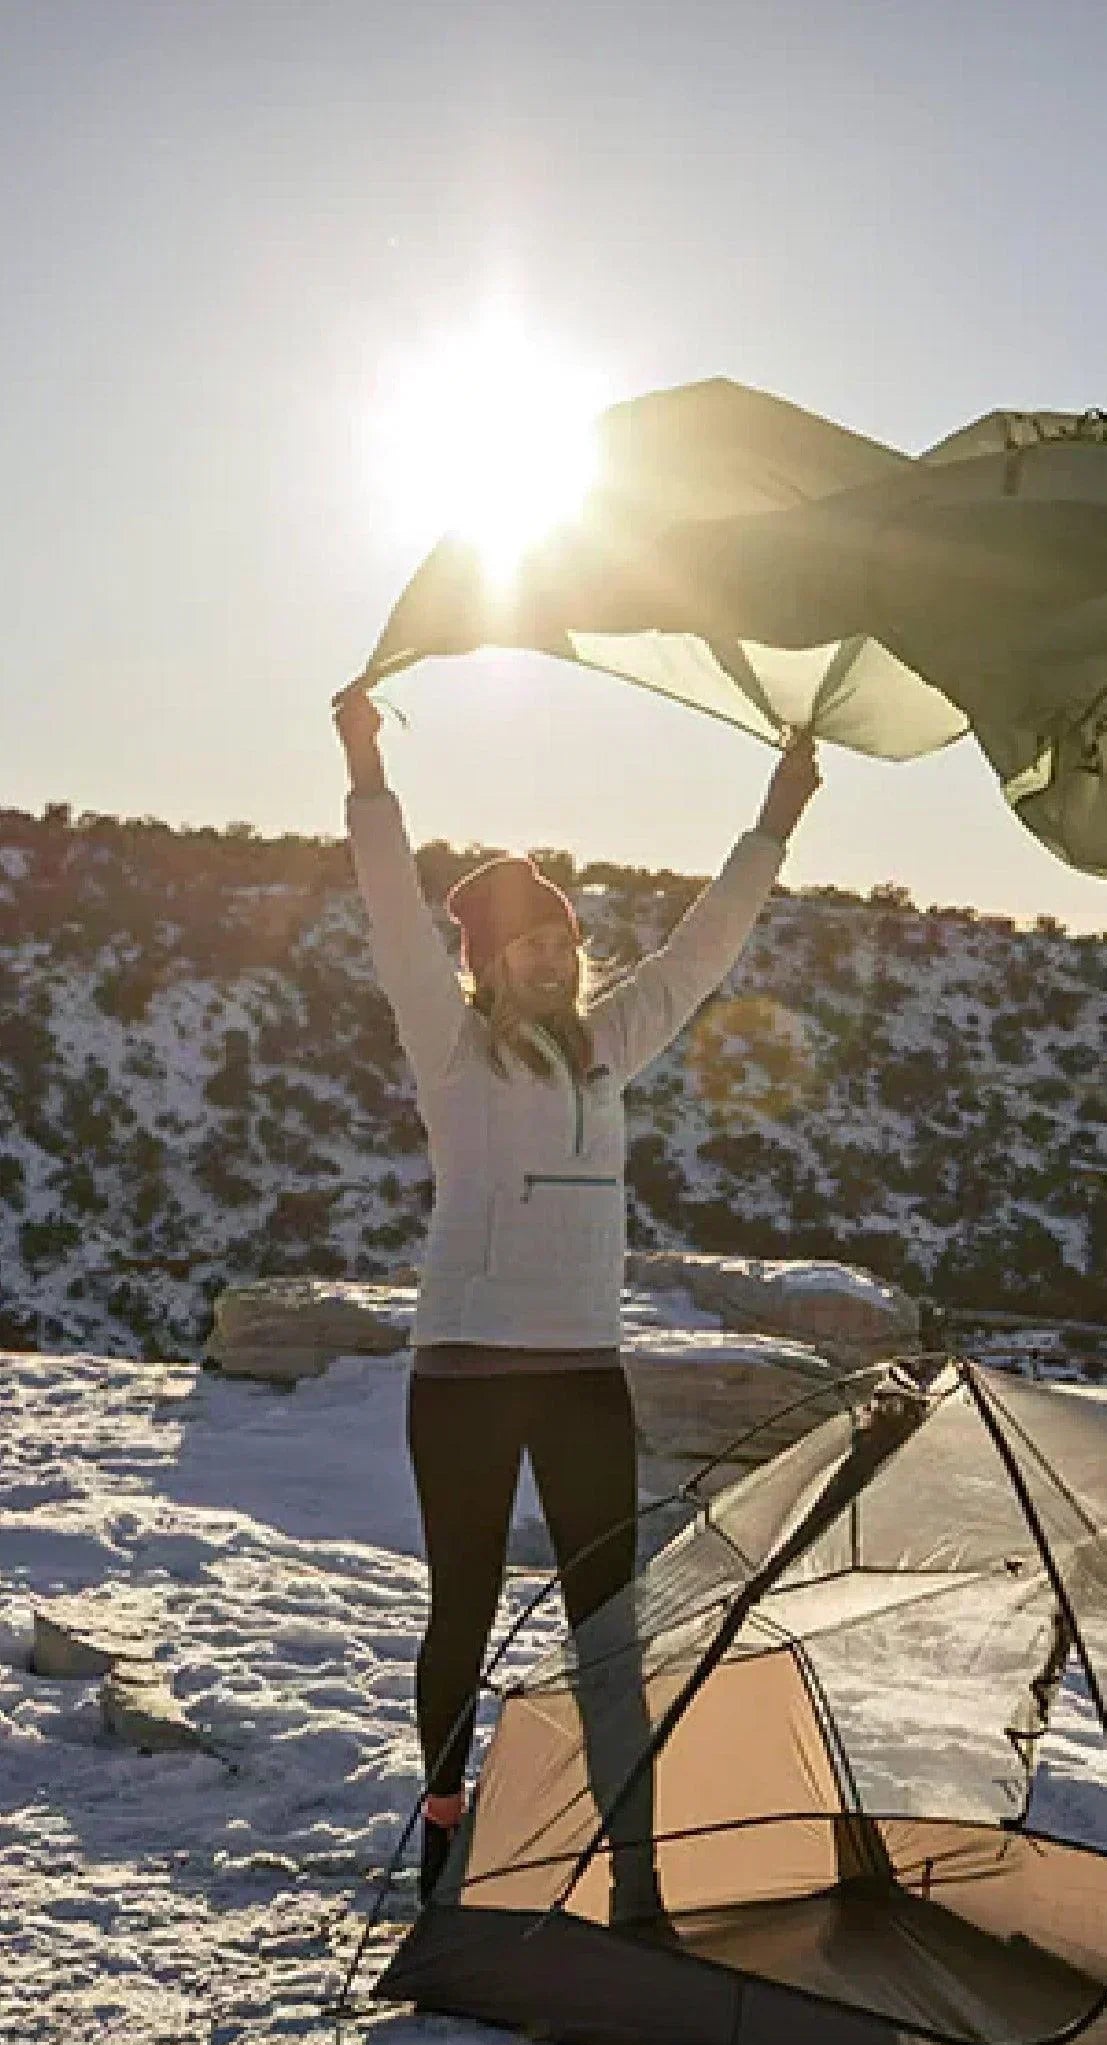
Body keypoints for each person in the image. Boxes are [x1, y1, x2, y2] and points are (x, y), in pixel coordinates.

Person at [332, 684, 821, 1901]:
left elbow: (703, 949)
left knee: (611, 1617)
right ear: (488, 963)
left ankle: (632, 1845)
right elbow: (392, 911)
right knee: (465, 1605)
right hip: (465, 1369)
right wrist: (366, 768)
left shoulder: (611, 1047)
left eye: (563, 942)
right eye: (528, 946)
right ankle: (447, 1816)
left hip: (582, 1369)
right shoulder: (453, 1050)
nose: (553, 958)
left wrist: (776, 816)